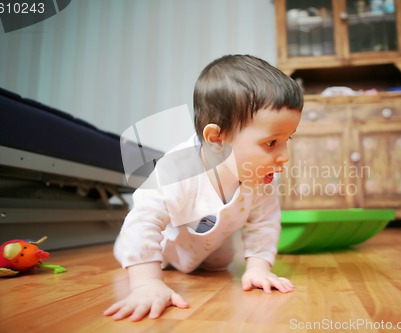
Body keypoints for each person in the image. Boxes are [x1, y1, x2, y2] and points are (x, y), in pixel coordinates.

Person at [104, 54, 303, 321]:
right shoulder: (178, 170)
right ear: (217, 139)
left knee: (219, 263)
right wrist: (146, 283)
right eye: (271, 143)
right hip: (164, 246)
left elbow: (264, 223)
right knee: (139, 249)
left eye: (286, 140)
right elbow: (145, 219)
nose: (285, 155)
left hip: (210, 250)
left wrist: (258, 268)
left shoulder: (260, 178)